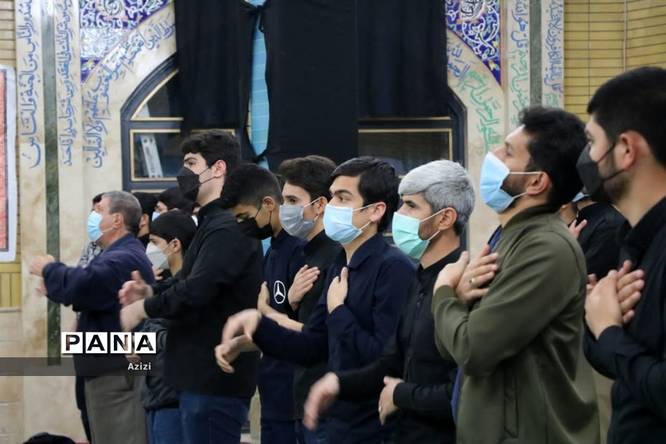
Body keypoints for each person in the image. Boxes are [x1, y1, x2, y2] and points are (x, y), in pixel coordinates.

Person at [431, 106, 599, 444]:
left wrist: (444, 291)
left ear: (536, 181)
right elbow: (450, 346)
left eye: (508, 151)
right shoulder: (509, 238)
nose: (493, 155)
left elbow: (473, 350)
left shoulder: (545, 248)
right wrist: (457, 300)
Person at [218, 157, 415, 443]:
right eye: (332, 196)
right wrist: (259, 325)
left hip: (371, 426)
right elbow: (314, 344)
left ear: (375, 210)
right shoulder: (340, 264)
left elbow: (383, 357)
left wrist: (339, 312)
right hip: (332, 419)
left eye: (343, 198)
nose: (331, 205)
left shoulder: (393, 268)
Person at [304, 160, 475, 443]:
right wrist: (338, 383)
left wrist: (400, 394)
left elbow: (462, 392)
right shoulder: (419, 278)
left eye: (411, 206)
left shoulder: (464, 282)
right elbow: (391, 362)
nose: (399, 214)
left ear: (445, 218)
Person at [118, 130, 264, 444]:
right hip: (194, 378)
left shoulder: (228, 225)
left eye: (191, 163)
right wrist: (149, 292)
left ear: (218, 168)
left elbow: (197, 290)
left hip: (214, 380)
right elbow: (184, 281)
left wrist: (143, 308)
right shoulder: (210, 223)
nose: (183, 172)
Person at [580, 66, 666, 444]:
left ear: (627, 149)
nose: (587, 158)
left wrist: (609, 331)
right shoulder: (635, 238)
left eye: (592, 142)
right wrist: (595, 316)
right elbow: (617, 362)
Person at [29, 191, 154, 444]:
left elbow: (86, 284)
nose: (92, 217)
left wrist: (50, 269)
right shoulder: (113, 254)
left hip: (119, 373)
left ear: (117, 220)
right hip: (107, 369)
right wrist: (56, 287)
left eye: (99, 210)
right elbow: (90, 294)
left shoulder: (124, 257)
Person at [220, 163, 306, 444]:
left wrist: (268, 313)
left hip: (296, 399)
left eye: (245, 216)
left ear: (268, 204)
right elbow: (272, 328)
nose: (242, 225)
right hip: (272, 395)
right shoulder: (273, 253)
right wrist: (240, 344)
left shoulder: (301, 251)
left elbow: (305, 331)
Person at [275, 155, 340, 443]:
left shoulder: (334, 256)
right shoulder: (304, 253)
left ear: (320, 204)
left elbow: (320, 335)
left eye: (292, 200)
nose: (285, 209)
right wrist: (289, 303)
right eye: (284, 201)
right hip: (300, 397)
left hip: (325, 402)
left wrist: (268, 313)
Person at [140, 210, 197, 444]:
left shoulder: (188, 289)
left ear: (175, 245)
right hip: (155, 397)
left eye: (154, 242)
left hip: (174, 399)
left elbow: (174, 339)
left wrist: (141, 343)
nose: (150, 250)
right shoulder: (165, 287)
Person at [73, 192, 104, 443]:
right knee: (84, 398)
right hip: (86, 331)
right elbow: (79, 284)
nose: (94, 217)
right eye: (93, 211)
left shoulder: (126, 251)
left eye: (100, 212)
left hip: (114, 340)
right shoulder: (90, 246)